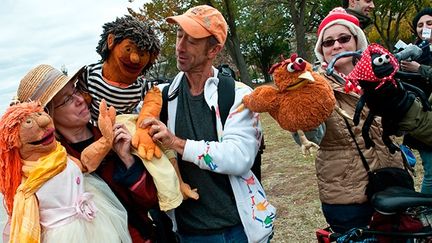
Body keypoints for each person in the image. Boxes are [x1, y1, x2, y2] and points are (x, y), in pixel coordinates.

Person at [142, 5, 276, 243]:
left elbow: (239, 157)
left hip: (234, 230)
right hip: (184, 230)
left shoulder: (237, 95)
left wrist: (177, 143)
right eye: (179, 36)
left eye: (192, 40)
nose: (180, 47)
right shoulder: (163, 97)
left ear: (214, 49)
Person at [14, 64, 168, 243]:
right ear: (48, 115)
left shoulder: (112, 133)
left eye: (76, 90)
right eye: (66, 99)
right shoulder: (50, 167)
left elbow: (152, 200)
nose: (80, 99)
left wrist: (127, 160)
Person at [310, 7, 404, 233]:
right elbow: (312, 136)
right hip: (346, 195)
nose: (336, 46)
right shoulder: (314, 87)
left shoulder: (379, 76)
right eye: (328, 42)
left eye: (343, 38)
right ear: (321, 50)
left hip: (393, 182)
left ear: (357, 40)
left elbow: (400, 128)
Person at [0, 100, 131, 243]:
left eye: (39, 114)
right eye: (30, 122)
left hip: (95, 218)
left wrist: (106, 141)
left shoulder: (61, 154)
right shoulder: (28, 186)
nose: (43, 122)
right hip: (62, 235)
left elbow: (85, 164)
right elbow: (24, 220)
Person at [399, 7, 432, 194]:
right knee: (431, 172)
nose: (424, 28)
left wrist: (419, 69)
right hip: (422, 122)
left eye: (429, 23)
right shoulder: (414, 51)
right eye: (419, 25)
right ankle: (426, 212)